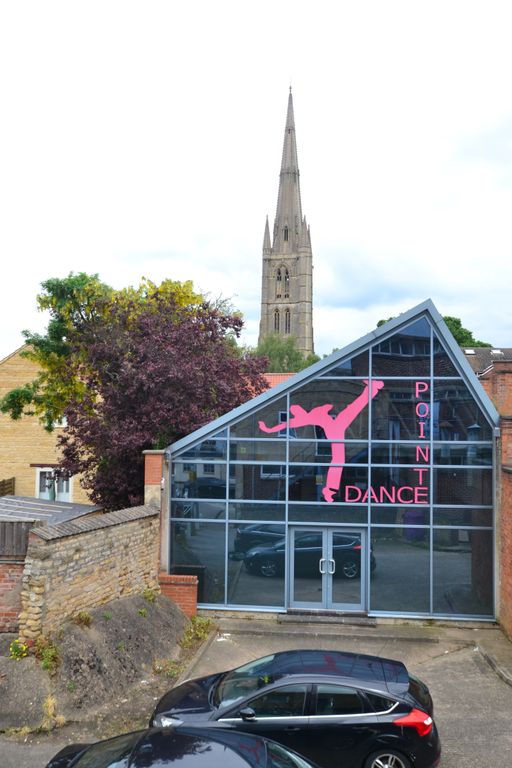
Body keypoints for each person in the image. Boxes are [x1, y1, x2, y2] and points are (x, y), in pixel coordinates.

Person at [259, 379, 384, 502]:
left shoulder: (312, 413)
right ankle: (329, 490)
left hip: (338, 424)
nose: (300, 410)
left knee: (353, 408)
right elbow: (283, 425)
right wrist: (268, 429)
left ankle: (371, 389)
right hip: (335, 432)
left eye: (299, 408)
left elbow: (328, 406)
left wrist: (324, 409)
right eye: (296, 410)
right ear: (297, 413)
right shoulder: (303, 419)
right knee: (338, 461)